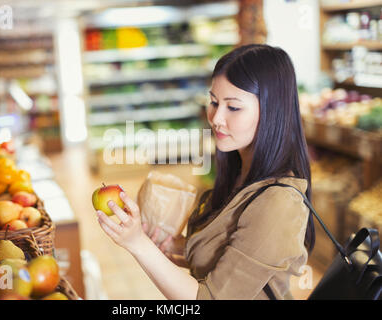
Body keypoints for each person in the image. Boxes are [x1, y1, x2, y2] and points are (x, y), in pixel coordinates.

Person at [95, 44, 315, 300]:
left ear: (272, 110)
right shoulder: (242, 175)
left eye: (233, 107)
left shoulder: (278, 202)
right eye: (213, 102)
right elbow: (225, 257)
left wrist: (138, 244)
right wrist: (173, 247)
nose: (216, 118)